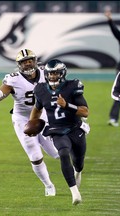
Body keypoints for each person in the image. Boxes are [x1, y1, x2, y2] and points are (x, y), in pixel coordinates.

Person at [0, 49, 59, 196]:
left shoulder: (45, 72)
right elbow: (4, 91)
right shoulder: (14, 78)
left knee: (56, 152)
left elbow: (60, 88)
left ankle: (74, 169)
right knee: (35, 155)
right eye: (24, 62)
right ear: (19, 65)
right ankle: (48, 185)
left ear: (35, 61)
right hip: (22, 119)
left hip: (42, 114)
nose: (27, 64)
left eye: (29, 60)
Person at [28, 59, 89, 205]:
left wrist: (67, 105)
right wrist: (31, 124)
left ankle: (78, 171)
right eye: (50, 74)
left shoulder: (72, 86)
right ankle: (74, 192)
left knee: (79, 162)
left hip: (74, 128)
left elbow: (85, 112)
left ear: (62, 73)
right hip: (56, 129)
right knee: (63, 153)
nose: (53, 76)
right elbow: (37, 108)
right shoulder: (41, 89)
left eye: (55, 73)